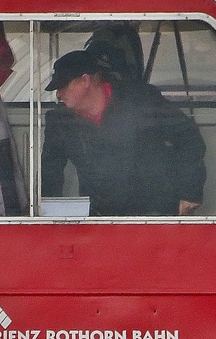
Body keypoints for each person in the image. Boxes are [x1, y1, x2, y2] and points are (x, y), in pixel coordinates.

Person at [41, 49, 206, 216]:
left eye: (63, 86)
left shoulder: (142, 101)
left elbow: (188, 138)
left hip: (154, 213)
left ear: (85, 80)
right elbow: (50, 171)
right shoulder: (60, 121)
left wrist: (189, 192)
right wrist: (48, 215)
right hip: (99, 218)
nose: (58, 94)